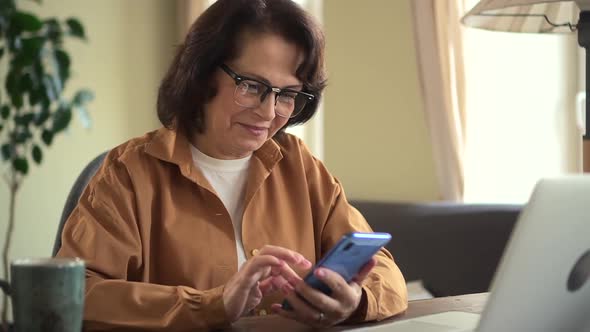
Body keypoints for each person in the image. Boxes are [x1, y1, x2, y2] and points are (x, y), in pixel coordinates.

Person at [57, 0, 408, 330]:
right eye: (252, 86)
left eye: (287, 95)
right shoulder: (128, 172)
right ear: (202, 74)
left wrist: (356, 300)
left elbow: (386, 273)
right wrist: (213, 304)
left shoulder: (300, 167)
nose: (269, 113)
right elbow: (75, 295)